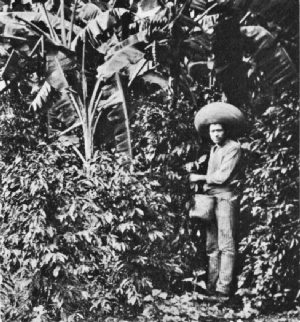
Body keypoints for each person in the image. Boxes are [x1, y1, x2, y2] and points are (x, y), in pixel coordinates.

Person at [189, 123, 242, 300]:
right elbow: (213, 178)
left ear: (226, 130)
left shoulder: (233, 147)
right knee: (211, 245)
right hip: (210, 199)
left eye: (219, 130)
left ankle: (223, 290)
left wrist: (199, 177)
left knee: (226, 244)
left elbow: (222, 177)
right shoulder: (214, 149)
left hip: (226, 198)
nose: (216, 134)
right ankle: (211, 289)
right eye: (213, 131)